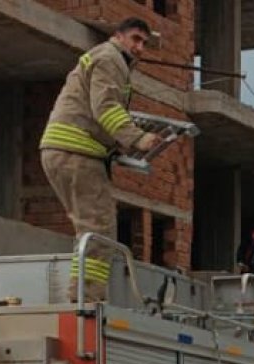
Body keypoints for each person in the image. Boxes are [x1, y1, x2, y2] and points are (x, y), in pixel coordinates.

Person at [40, 17, 162, 302]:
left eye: (144, 42)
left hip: (64, 151)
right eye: (135, 39)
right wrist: (137, 138)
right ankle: (87, 301)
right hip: (77, 153)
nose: (140, 47)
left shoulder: (103, 58)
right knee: (99, 229)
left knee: (88, 229)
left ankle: (81, 296)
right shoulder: (110, 60)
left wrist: (115, 147)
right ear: (118, 36)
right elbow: (105, 108)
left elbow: (97, 112)